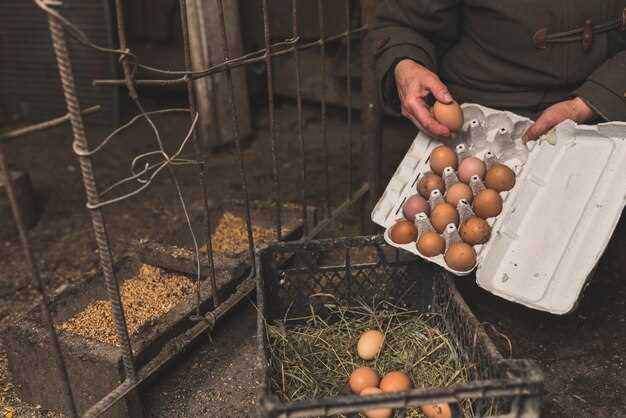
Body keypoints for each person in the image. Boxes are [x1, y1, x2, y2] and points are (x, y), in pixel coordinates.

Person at [374, 1, 626, 141]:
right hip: (480, 113)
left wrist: (591, 102)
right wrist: (406, 63)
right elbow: (404, 23)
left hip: (608, 105)